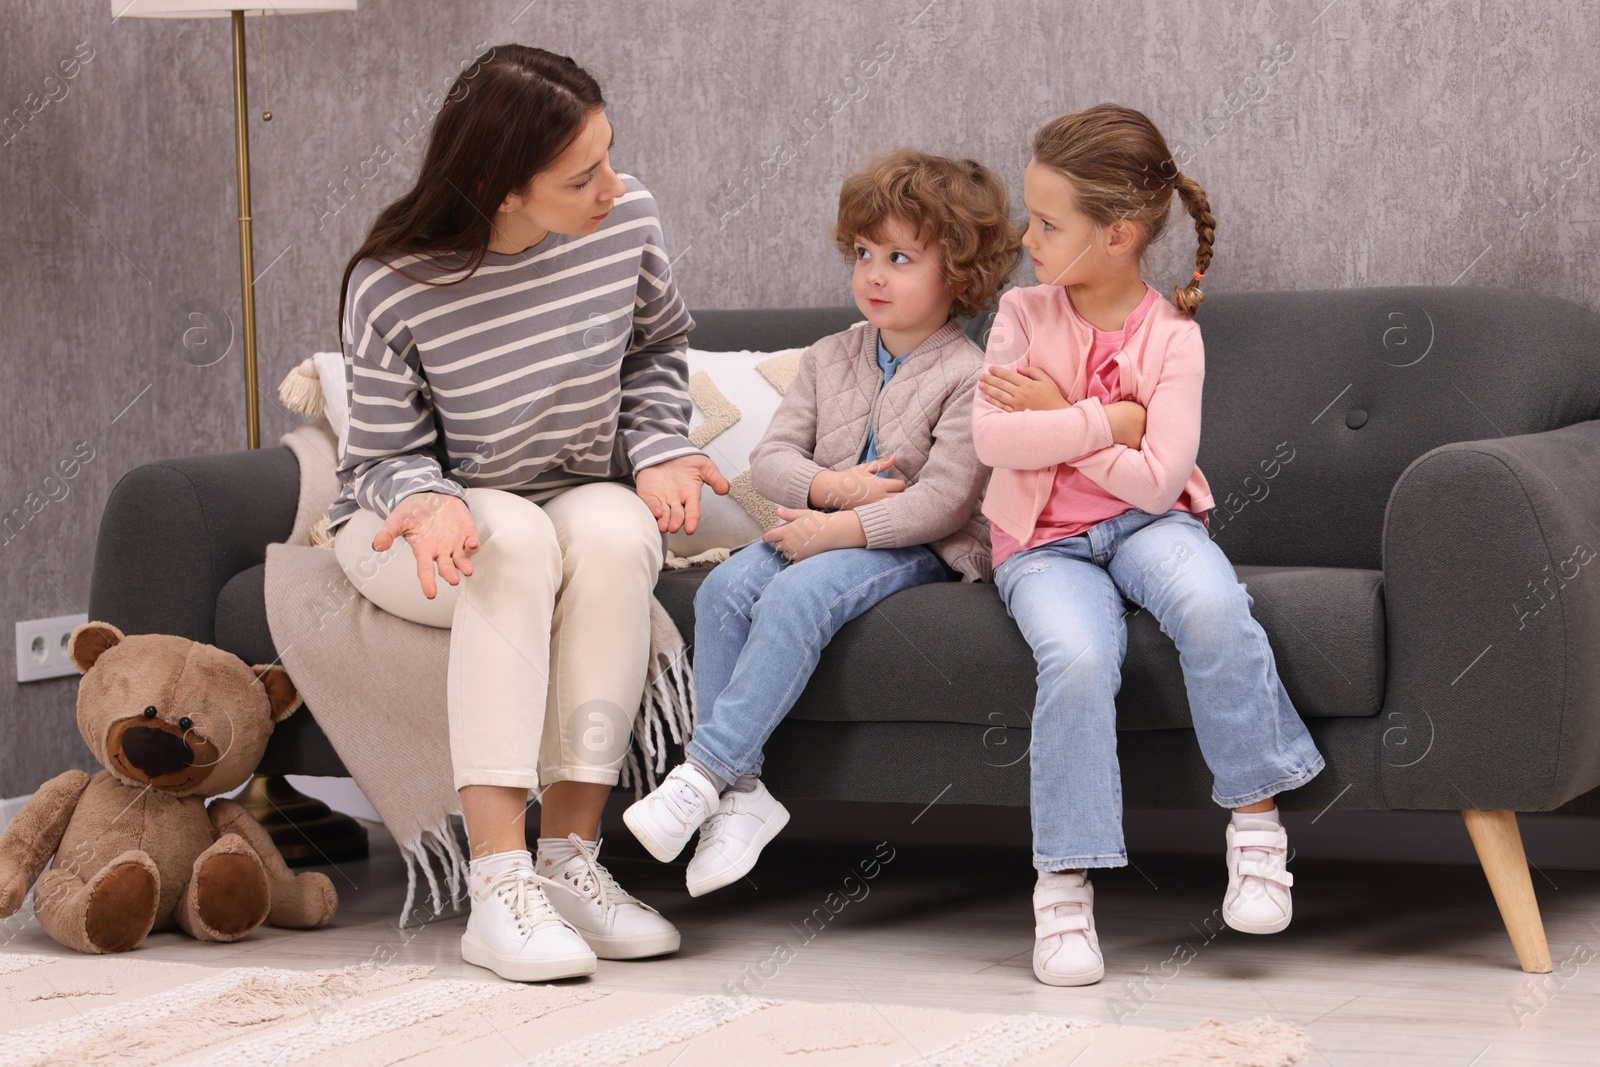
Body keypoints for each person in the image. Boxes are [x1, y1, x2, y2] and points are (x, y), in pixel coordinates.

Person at [327, 44, 728, 982]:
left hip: (565, 490)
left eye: (610, 155)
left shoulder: (627, 218)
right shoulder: (396, 280)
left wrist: (662, 446)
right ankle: (496, 885)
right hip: (412, 522)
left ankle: (568, 866)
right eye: (580, 174)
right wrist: (428, 503)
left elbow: (657, 351)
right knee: (509, 538)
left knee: (619, 531)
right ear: (503, 188)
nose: (611, 185)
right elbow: (380, 456)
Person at [973, 104, 1325, 987]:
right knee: (1080, 659)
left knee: (1212, 602)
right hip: (1043, 542)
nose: (1028, 236)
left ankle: (1255, 831)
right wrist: (1108, 420)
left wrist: (1060, 418)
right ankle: (1062, 894)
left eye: (1049, 224)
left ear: (1120, 234)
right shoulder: (1020, 313)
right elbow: (992, 441)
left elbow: (1158, 481)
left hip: (1150, 526)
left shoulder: (1174, 338)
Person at [624, 149, 1017, 897]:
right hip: (818, 521)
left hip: (916, 544)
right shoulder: (829, 356)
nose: (874, 273)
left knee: (796, 596)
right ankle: (742, 797)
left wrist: (833, 529)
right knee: (721, 592)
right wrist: (831, 486)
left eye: (900, 257)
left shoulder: (969, 375)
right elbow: (772, 460)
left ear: (959, 275)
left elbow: (942, 503)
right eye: (865, 253)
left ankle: (702, 774)